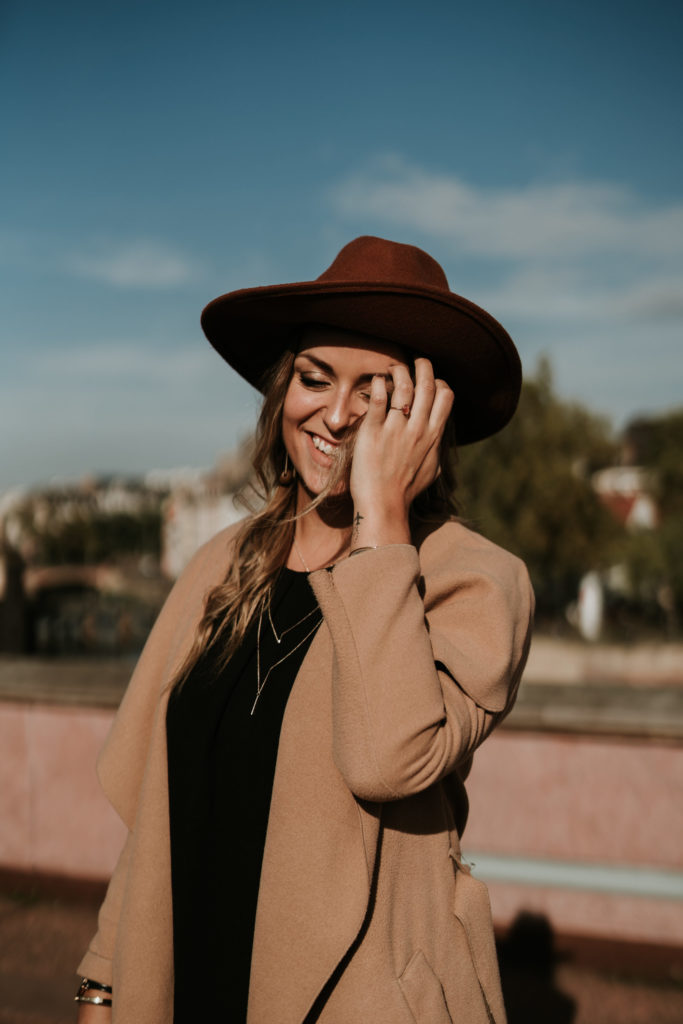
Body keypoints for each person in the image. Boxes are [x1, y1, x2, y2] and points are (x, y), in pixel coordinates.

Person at [75, 235, 534, 1024]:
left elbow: (387, 760)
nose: (333, 413)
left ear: (429, 416)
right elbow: (161, 811)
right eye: (313, 379)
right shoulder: (222, 564)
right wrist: (102, 985)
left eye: (376, 392)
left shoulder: (473, 580)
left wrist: (381, 520)